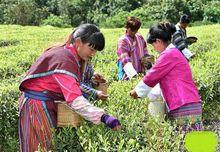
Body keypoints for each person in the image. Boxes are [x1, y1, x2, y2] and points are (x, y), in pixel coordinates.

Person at [18, 24, 121, 152]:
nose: (93, 54)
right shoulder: (64, 59)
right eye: (91, 48)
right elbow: (75, 99)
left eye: (96, 51)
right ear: (78, 42)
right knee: (40, 147)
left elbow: (74, 83)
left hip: (40, 103)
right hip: (36, 106)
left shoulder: (68, 53)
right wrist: (104, 117)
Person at [130, 22, 203, 133]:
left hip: (184, 104)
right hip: (187, 103)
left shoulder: (168, 54)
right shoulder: (172, 53)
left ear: (158, 41)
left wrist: (136, 92)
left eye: (153, 44)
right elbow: (158, 77)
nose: (153, 48)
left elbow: (151, 77)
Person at [65, 34, 108, 102]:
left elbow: (85, 78)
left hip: (86, 96)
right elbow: (74, 85)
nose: (93, 54)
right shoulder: (68, 59)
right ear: (79, 43)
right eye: (91, 50)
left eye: (95, 51)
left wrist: (94, 77)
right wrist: (95, 93)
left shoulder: (85, 57)